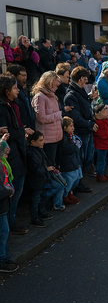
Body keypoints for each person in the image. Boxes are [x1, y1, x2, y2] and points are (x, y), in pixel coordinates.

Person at [0, 73, 33, 234]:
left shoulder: (12, 104)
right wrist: (22, 131)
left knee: (17, 188)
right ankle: (9, 223)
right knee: (13, 190)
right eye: (14, 88)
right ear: (7, 91)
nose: (18, 90)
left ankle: (10, 221)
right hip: (10, 155)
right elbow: (7, 134)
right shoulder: (2, 108)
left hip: (17, 151)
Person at [26, 131, 65, 227]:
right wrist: (46, 169)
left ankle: (41, 211)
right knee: (35, 199)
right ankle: (35, 218)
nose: (43, 142)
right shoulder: (32, 153)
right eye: (40, 140)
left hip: (41, 179)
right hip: (36, 180)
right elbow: (36, 169)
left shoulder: (38, 150)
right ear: (33, 142)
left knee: (54, 188)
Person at [32, 71, 67, 163]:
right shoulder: (40, 97)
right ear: (50, 81)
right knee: (49, 164)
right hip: (47, 139)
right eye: (57, 81)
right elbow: (41, 117)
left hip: (55, 137)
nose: (59, 84)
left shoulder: (52, 96)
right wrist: (58, 115)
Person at [0, 140, 18, 273]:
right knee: (3, 232)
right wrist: (9, 190)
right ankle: (1, 260)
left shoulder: (3, 164)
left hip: (4, 205)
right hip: (1, 205)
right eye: (4, 149)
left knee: (4, 232)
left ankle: (4, 257)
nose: (8, 151)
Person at [58, 117, 82, 206]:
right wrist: (75, 147)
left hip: (73, 161)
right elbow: (66, 149)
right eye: (71, 126)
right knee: (69, 180)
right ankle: (65, 196)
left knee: (76, 178)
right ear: (65, 127)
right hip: (67, 163)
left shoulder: (69, 136)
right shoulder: (63, 138)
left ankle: (69, 193)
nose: (73, 128)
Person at [93, 104, 108, 182]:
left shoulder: (104, 121)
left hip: (105, 144)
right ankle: (100, 174)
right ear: (99, 112)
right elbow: (103, 134)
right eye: (105, 112)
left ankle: (102, 172)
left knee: (103, 160)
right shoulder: (98, 123)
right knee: (101, 160)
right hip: (101, 145)